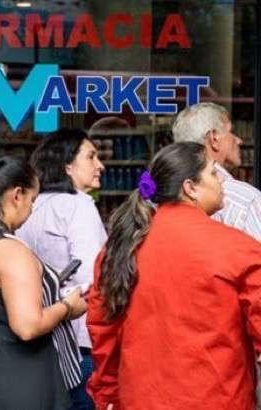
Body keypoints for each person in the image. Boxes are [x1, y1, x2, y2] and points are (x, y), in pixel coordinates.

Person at [87, 142, 261, 409]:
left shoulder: (120, 248)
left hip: (139, 399)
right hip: (217, 400)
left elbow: (104, 331)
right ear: (190, 187)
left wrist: (108, 393)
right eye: (214, 174)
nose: (222, 182)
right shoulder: (239, 249)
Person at [0, 153, 87, 410]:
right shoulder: (11, 252)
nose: (32, 209)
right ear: (17, 195)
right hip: (16, 378)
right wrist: (68, 307)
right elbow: (27, 326)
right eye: (32, 200)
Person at [16, 128, 107, 409]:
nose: (100, 165)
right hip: (79, 336)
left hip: (38, 331)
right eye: (91, 157)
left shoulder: (30, 205)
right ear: (67, 165)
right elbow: (94, 275)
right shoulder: (78, 205)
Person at [173, 102, 261, 240]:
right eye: (231, 132)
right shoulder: (245, 200)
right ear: (214, 138)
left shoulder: (157, 197)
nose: (238, 140)